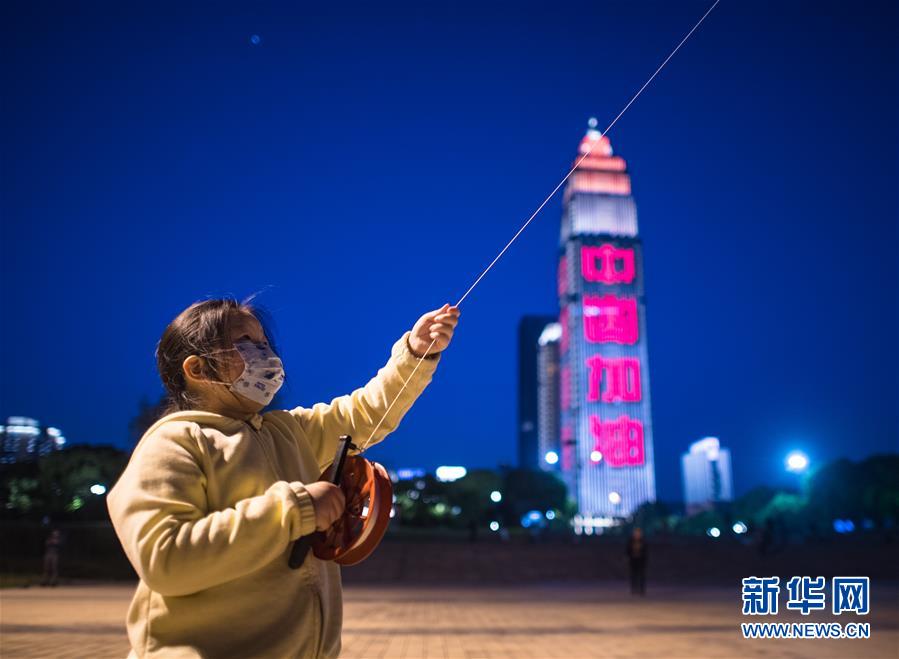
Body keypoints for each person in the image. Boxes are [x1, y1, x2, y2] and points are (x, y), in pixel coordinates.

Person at [107, 297, 460, 658]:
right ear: (197, 369)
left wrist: (415, 354)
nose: (266, 355)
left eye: (264, 343)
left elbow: (365, 413)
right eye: (246, 343)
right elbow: (165, 559)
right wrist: (298, 509)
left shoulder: (290, 432)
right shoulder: (173, 443)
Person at [626, 526, 647, 596]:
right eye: (636, 532)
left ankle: (641, 590)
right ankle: (633, 589)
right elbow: (628, 550)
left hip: (641, 561)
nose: (637, 534)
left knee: (641, 575)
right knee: (633, 575)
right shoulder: (630, 541)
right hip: (633, 561)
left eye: (638, 533)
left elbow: (646, 552)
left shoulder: (643, 541)